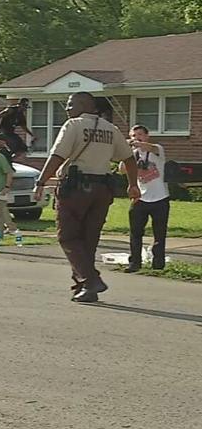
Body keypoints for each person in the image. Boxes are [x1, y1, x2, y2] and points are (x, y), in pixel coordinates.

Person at [33, 91, 139, 303]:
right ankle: (85, 288)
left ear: (84, 105)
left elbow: (57, 156)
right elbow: (129, 158)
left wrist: (41, 182)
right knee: (88, 239)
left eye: (71, 104)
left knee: (68, 236)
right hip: (103, 190)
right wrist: (132, 184)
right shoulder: (111, 128)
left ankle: (91, 280)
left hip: (76, 189)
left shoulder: (73, 125)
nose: (67, 108)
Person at [123, 125, 170, 272]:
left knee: (159, 233)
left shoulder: (157, 150)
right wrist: (128, 152)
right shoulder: (133, 156)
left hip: (160, 198)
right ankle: (135, 263)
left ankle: (158, 264)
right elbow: (121, 169)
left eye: (140, 134)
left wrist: (138, 144)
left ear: (147, 135)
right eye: (133, 135)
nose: (136, 138)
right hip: (140, 199)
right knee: (135, 232)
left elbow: (149, 147)